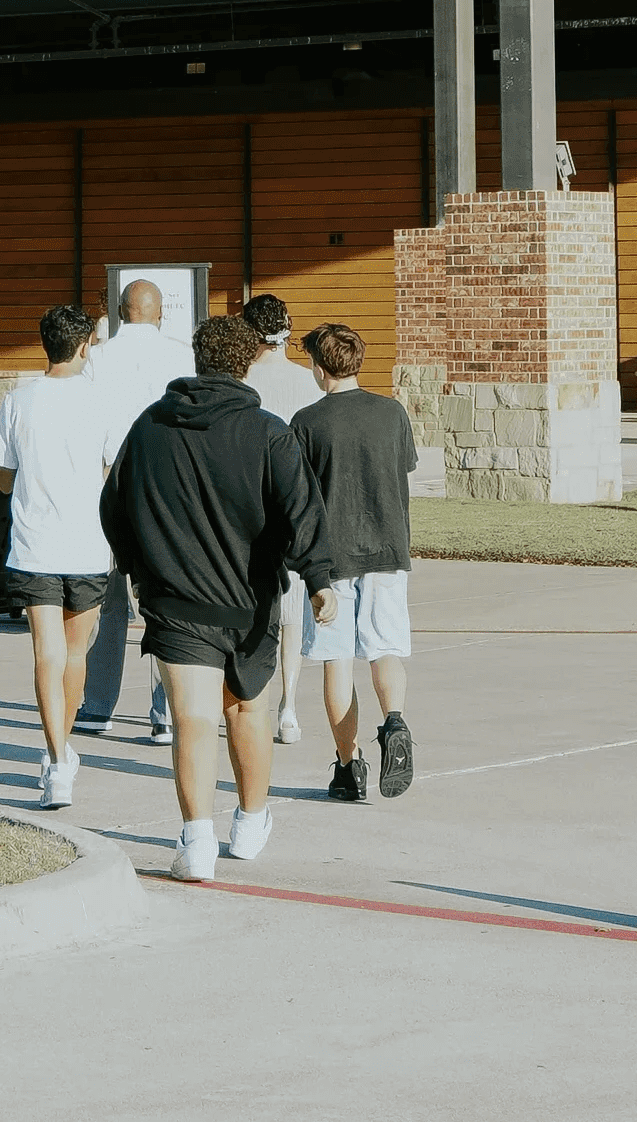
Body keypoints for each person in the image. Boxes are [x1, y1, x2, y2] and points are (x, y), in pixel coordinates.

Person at [100, 313, 339, 882]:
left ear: (197, 360)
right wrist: (320, 578)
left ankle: (196, 843)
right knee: (248, 709)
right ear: (249, 361)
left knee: (192, 720)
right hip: (250, 599)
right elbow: (302, 511)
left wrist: (138, 570)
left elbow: (114, 506)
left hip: (176, 599)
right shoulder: (268, 431)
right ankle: (251, 821)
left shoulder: (149, 426)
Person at [0, 303, 126, 810]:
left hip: (33, 544)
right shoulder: (102, 400)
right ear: (86, 345)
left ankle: (55, 760)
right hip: (88, 545)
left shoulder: (18, 400)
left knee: (45, 651)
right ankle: (60, 754)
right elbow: (113, 470)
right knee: (74, 653)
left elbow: (2, 478)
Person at [293, 321, 418, 802]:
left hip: (331, 557)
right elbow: (402, 468)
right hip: (387, 547)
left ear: (321, 368)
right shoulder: (392, 412)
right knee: (386, 648)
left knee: (337, 659)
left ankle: (348, 767)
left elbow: (300, 495)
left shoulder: (307, 421)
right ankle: (395, 723)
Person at [76, 280, 195, 741]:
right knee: (166, 598)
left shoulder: (98, 359)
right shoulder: (182, 356)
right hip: (168, 486)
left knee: (109, 602)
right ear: (159, 313)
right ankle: (165, 711)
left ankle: (99, 705)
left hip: (111, 482)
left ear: (120, 312)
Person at [238, 294, 324, 742]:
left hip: (246, 505)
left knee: (246, 606)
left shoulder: (241, 380)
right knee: (291, 614)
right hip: (290, 505)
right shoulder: (307, 383)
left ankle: (246, 695)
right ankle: (288, 705)